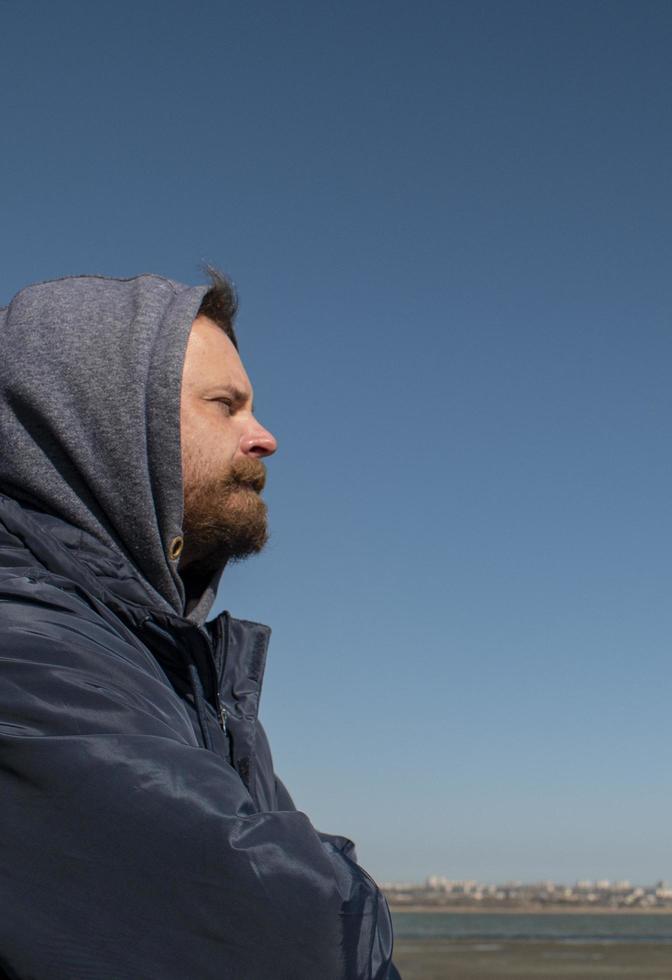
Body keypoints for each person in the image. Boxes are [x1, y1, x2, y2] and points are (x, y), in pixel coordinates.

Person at [0, 273, 400, 979]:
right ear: (106, 424)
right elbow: (286, 932)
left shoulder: (164, 661)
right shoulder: (24, 648)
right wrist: (341, 879)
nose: (266, 438)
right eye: (226, 406)